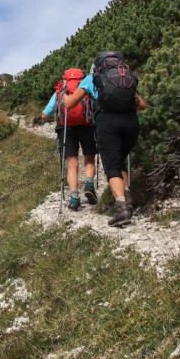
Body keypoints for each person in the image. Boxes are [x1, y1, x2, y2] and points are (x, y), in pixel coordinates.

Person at [61, 51, 145, 227]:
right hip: (131, 122)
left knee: (111, 164)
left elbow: (70, 104)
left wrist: (64, 95)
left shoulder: (93, 78)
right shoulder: (124, 77)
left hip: (108, 122)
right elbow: (142, 105)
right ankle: (128, 198)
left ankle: (122, 209)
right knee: (120, 160)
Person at [40, 69, 98, 211]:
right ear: (82, 77)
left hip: (66, 128)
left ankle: (74, 197)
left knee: (72, 163)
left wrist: (45, 117)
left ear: (65, 78)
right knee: (89, 158)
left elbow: (45, 114)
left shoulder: (60, 90)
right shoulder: (86, 87)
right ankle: (89, 183)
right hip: (87, 126)